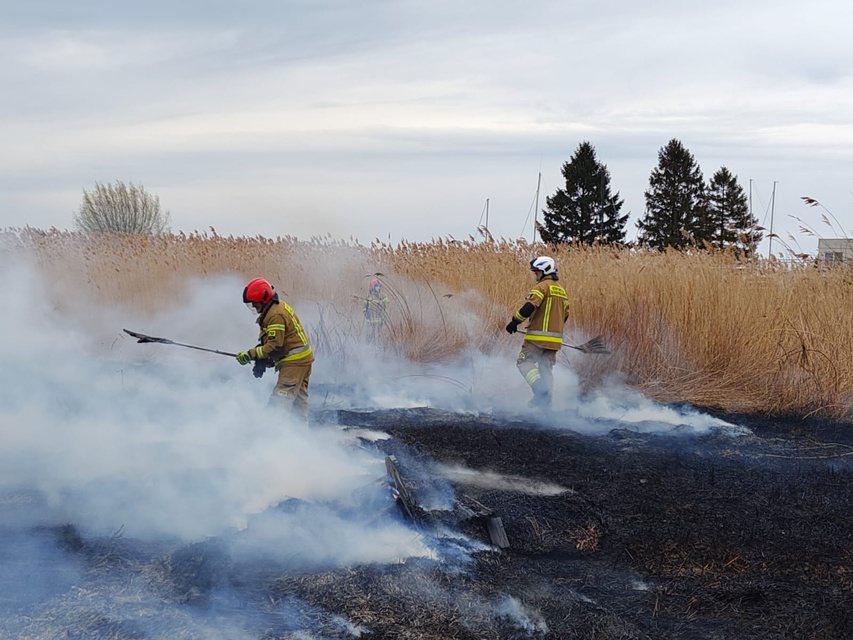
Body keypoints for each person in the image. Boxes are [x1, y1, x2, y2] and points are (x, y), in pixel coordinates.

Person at [236, 277, 314, 422]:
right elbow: (281, 342)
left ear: (264, 300)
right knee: (298, 405)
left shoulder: (275, 315)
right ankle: (299, 436)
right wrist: (265, 359)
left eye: (255, 302)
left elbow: (274, 344)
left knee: (278, 404)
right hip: (302, 361)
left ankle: (270, 434)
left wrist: (250, 355)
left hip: (294, 363)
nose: (253, 305)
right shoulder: (276, 308)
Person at [505, 256, 569, 410]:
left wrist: (515, 322)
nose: (535, 275)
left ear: (545, 270)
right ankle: (546, 408)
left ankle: (540, 391)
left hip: (537, 338)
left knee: (524, 362)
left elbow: (529, 307)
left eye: (537, 272)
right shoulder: (561, 291)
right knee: (545, 368)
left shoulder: (542, 287)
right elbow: (565, 315)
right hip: (555, 341)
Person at [363, 278, 388, 343]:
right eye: (377, 286)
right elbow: (364, 308)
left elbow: (386, 308)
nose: (378, 288)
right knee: (369, 335)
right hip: (370, 321)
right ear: (373, 287)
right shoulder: (368, 297)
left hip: (380, 321)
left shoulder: (383, 297)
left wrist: (385, 317)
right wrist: (367, 315)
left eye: (379, 286)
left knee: (380, 336)